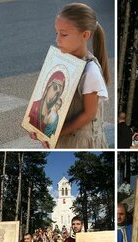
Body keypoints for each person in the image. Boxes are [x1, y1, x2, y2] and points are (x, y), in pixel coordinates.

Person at [30, 3, 109, 149]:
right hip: (64, 139)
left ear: (85, 35)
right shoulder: (62, 61)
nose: (57, 39)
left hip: (81, 143)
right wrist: (37, 128)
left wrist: (54, 133)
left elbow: (89, 114)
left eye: (64, 34)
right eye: (56, 33)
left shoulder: (90, 70)